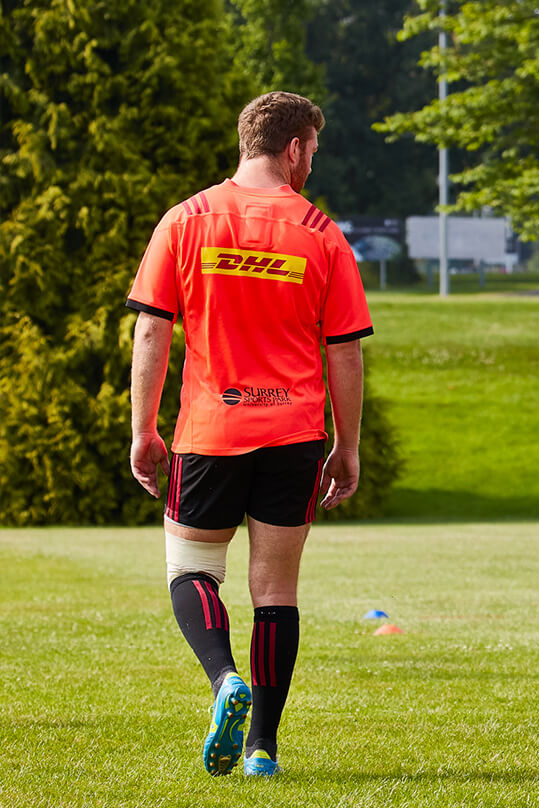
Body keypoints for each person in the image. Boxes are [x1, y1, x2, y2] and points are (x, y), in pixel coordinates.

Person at [127, 91, 372, 778]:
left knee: (193, 571)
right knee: (275, 591)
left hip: (210, 428)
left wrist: (143, 429)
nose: (312, 165)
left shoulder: (187, 219)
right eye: (312, 152)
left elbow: (152, 329)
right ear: (293, 148)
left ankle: (223, 679)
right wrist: (345, 445)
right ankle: (262, 748)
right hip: (292, 433)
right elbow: (345, 351)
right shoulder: (320, 232)